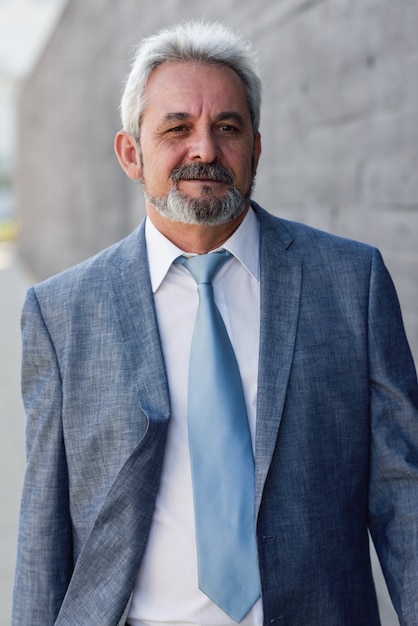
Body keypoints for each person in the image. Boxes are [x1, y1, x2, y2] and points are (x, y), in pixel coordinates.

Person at [12, 19, 418, 626]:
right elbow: (43, 532)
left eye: (227, 127)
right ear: (131, 153)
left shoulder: (350, 282)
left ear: (256, 148)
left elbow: (402, 495)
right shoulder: (62, 313)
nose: (204, 148)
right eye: (177, 127)